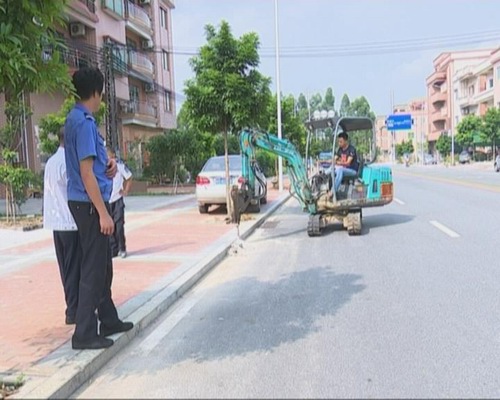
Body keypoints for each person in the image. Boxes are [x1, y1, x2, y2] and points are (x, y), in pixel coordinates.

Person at [65, 67, 133, 350]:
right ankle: (84, 333)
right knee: (94, 268)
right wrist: (104, 213)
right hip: (90, 205)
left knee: (103, 265)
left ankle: (109, 320)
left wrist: (109, 164)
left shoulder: (79, 119)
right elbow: (85, 173)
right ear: (97, 92)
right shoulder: (82, 123)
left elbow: (92, 164)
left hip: (87, 202)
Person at [43, 128, 81, 326]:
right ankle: (73, 310)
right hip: (70, 222)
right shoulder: (68, 162)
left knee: (65, 269)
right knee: (74, 269)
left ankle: (71, 307)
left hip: (56, 222)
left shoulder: (51, 162)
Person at [107, 148, 133, 259]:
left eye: (108, 155)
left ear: (113, 155)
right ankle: (113, 249)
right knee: (109, 227)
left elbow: (129, 177)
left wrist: (126, 190)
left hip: (117, 200)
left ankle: (122, 248)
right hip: (107, 201)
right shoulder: (101, 167)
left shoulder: (119, 165)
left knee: (119, 226)